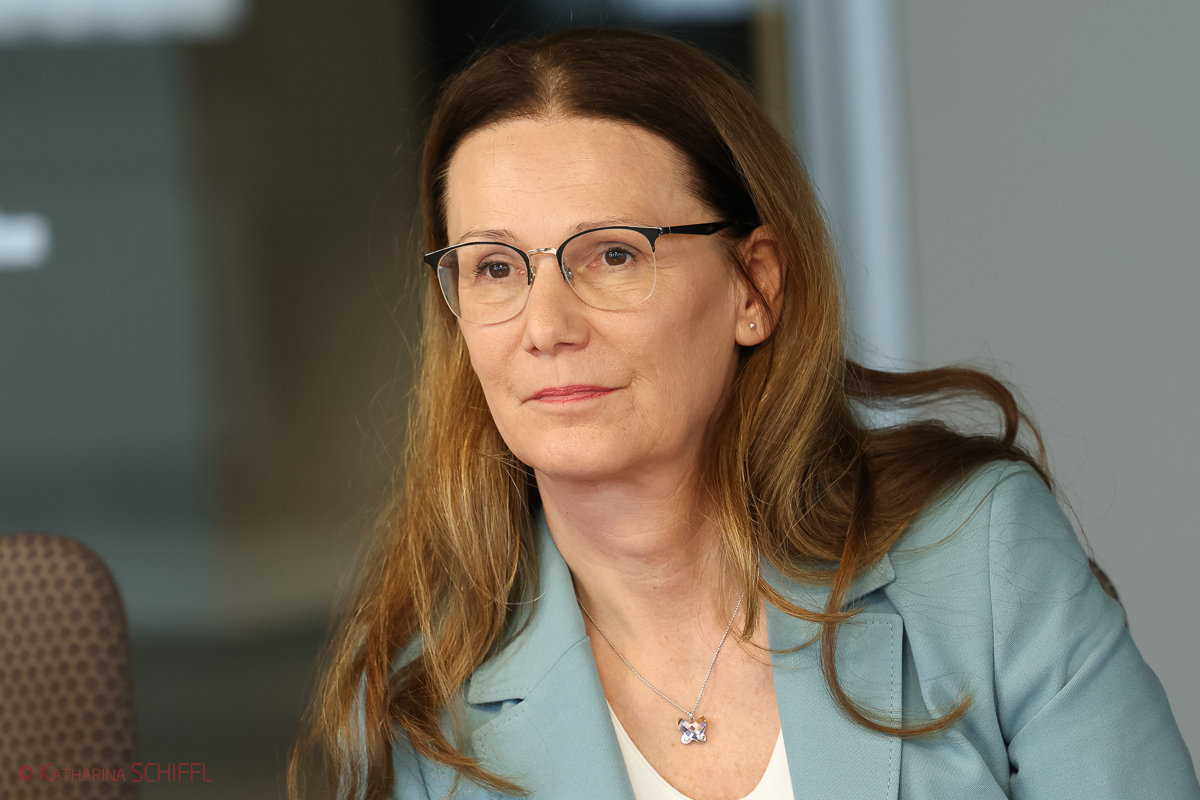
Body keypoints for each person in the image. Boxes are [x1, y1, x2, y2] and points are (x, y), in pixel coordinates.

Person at [288, 28, 1200, 800]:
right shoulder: (417, 692)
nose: (546, 326)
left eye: (612, 255)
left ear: (753, 286)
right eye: (495, 267)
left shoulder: (981, 561)